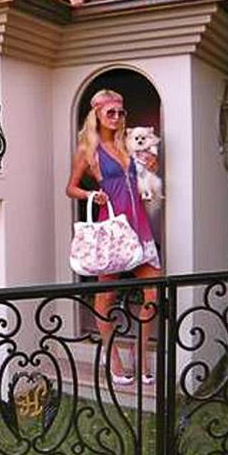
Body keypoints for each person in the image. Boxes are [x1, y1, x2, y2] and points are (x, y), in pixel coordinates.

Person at [66, 89, 162, 385]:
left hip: (139, 227)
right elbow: (70, 188)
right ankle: (112, 355)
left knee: (153, 293)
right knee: (106, 296)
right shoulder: (88, 150)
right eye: (111, 112)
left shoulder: (129, 143)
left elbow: (145, 177)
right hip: (113, 230)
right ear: (97, 114)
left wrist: (151, 169)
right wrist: (90, 194)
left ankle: (140, 352)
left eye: (121, 112)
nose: (117, 118)